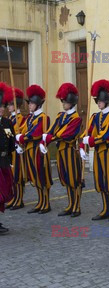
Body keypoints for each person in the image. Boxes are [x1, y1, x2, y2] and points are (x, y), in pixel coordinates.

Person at [80, 79, 109, 222]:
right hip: (98, 153)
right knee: (101, 181)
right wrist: (82, 143)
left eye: (100, 100)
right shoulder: (95, 116)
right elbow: (88, 131)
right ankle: (105, 208)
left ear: (106, 100)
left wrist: (91, 140)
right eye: (97, 100)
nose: (98, 102)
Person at [41, 83, 83, 217]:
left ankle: (77, 206)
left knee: (74, 179)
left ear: (71, 102)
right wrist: (46, 136)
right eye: (63, 101)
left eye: (65, 101)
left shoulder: (76, 119)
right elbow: (52, 128)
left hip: (70, 151)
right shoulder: (60, 116)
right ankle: (70, 204)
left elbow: (66, 134)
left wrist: (51, 137)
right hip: (61, 151)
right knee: (65, 178)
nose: (63, 103)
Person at [16, 84, 53, 214]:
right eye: (29, 103)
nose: (29, 105)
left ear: (37, 104)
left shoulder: (43, 117)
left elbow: (35, 133)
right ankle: (40, 201)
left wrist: (22, 138)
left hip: (39, 150)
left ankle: (46, 202)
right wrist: (17, 138)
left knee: (42, 176)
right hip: (29, 150)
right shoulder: (30, 117)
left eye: (31, 103)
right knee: (35, 176)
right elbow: (25, 129)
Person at [5, 87, 27, 210]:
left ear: (16, 105)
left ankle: (19, 199)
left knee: (18, 175)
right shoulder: (10, 120)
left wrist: (17, 138)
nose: (8, 107)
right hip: (11, 150)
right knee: (12, 176)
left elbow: (23, 133)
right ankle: (13, 198)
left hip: (18, 151)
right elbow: (8, 134)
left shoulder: (21, 119)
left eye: (10, 104)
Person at [0, 83, 15, 234]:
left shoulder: (7, 123)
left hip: (4, 161)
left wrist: (10, 158)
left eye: (3, 106)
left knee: (4, 193)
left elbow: (11, 141)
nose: (2, 108)